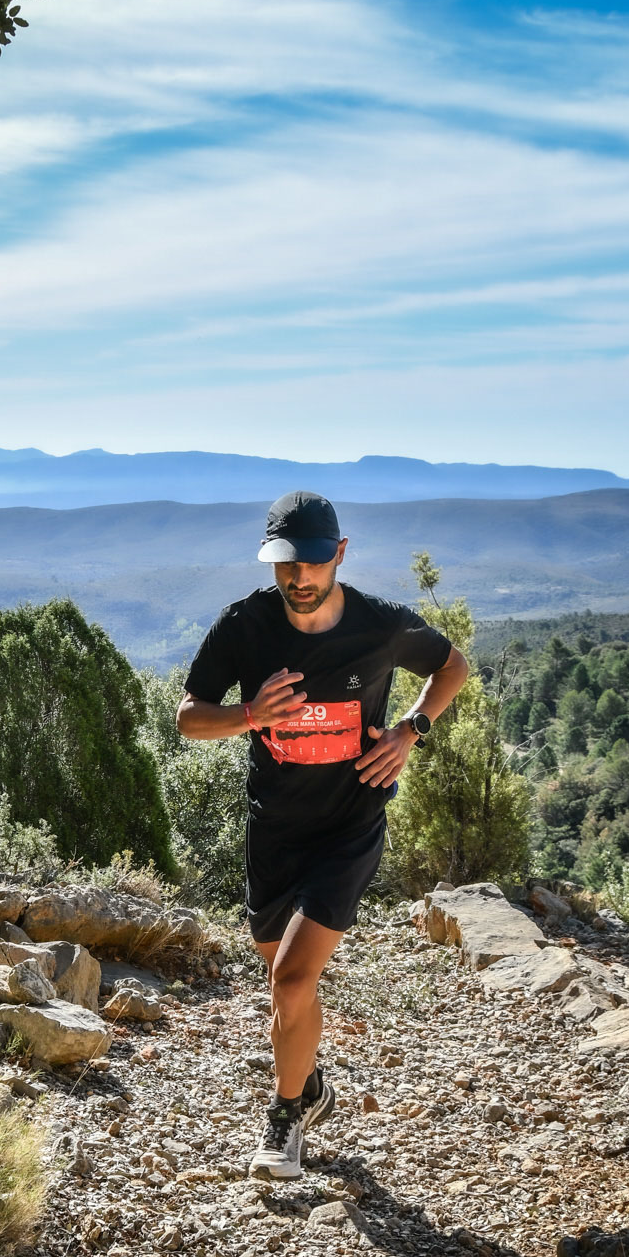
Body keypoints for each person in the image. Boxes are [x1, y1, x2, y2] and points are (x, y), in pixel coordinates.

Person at [176, 490, 469, 1179]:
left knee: (291, 977)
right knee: (285, 982)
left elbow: (451, 666)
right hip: (274, 830)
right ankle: (308, 1086)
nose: (299, 577)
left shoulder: (380, 624)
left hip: (348, 825)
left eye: (311, 562)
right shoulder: (244, 626)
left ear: (339, 554)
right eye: (286, 563)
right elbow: (189, 718)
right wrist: (250, 715)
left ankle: (283, 1121)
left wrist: (410, 730)